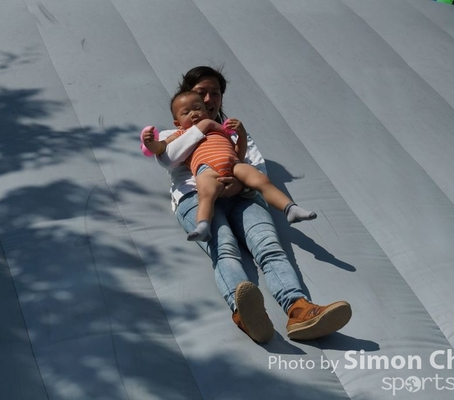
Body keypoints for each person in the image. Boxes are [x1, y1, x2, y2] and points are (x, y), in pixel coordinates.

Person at [142, 66, 352, 343]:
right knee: (224, 248)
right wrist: (203, 126)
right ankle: (245, 313)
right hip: (197, 197)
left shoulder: (233, 131)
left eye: (215, 93)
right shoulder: (174, 132)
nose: (208, 100)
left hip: (242, 195)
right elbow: (169, 158)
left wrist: (238, 184)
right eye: (201, 93)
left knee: (268, 245)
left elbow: (255, 168)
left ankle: (298, 309)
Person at [143, 90, 317, 242]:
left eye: (198, 108)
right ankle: (203, 225)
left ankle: (290, 208)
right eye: (186, 112)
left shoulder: (219, 129)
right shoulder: (181, 133)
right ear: (177, 123)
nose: (194, 114)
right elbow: (161, 148)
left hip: (233, 164)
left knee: (261, 180)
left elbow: (238, 152)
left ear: (207, 111)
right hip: (206, 168)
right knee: (206, 193)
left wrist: (241, 134)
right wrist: (151, 142)